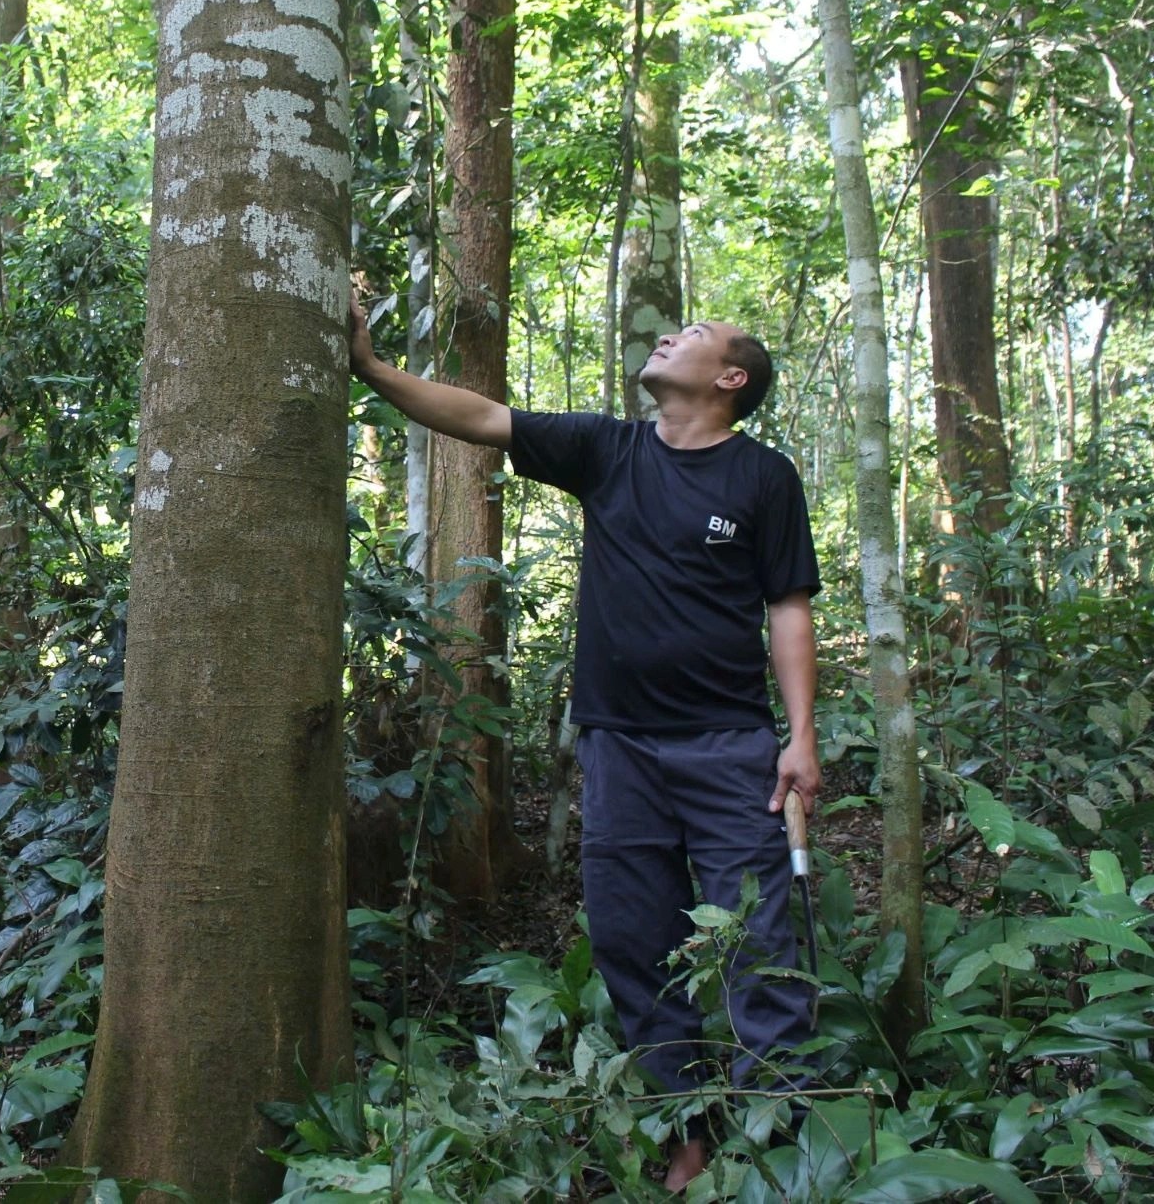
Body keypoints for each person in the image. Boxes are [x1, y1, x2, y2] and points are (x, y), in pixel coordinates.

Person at [348, 298, 820, 1191]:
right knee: (631, 941)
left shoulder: (764, 477)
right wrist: (371, 370)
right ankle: (688, 1123)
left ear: (731, 379)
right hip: (619, 751)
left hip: (731, 748)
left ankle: (777, 1136)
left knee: (760, 940)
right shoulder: (610, 450)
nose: (673, 334)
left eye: (697, 337)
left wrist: (800, 738)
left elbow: (788, 607)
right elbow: (483, 417)